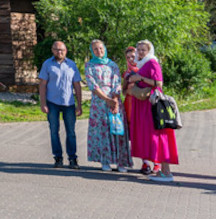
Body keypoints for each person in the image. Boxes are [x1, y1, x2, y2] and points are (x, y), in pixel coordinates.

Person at [125, 40, 179, 182]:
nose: (140, 52)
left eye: (144, 49)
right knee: (153, 137)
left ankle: (166, 172)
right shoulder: (142, 63)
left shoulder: (152, 62)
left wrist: (139, 78)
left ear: (149, 51)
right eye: (139, 49)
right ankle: (161, 170)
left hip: (152, 106)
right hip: (145, 106)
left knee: (158, 137)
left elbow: (159, 83)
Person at [84, 40, 131, 172]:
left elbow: (117, 83)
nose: (99, 51)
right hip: (99, 103)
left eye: (101, 48)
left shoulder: (112, 65)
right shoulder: (90, 66)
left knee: (118, 129)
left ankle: (121, 162)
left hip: (115, 101)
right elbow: (93, 85)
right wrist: (106, 99)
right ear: (92, 51)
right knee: (102, 131)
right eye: (95, 49)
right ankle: (105, 161)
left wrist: (114, 100)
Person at [38, 40, 82, 169]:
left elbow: (77, 86)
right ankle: (58, 158)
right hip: (52, 103)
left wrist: (79, 105)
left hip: (69, 103)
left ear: (66, 51)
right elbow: (42, 85)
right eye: (57, 49)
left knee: (71, 132)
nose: (59, 52)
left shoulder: (72, 65)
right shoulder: (47, 64)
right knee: (54, 131)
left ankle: (73, 158)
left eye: (62, 49)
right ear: (52, 50)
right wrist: (43, 103)